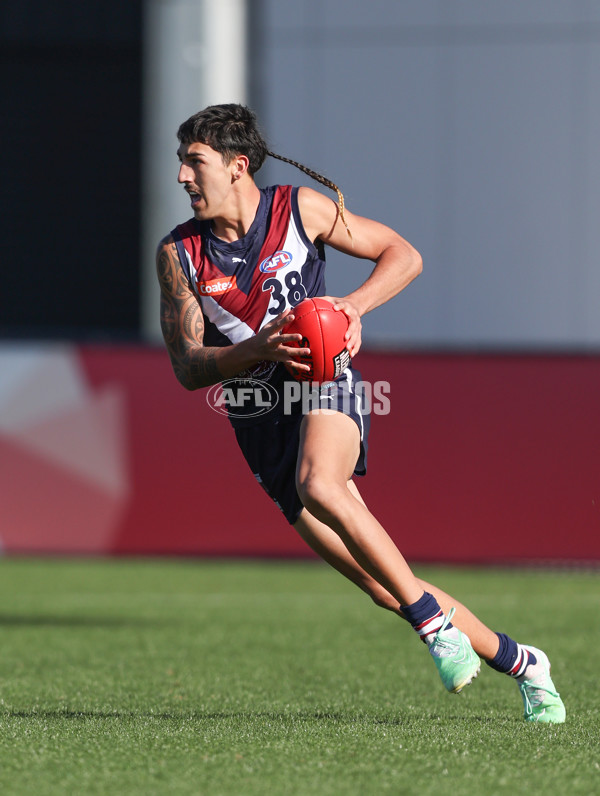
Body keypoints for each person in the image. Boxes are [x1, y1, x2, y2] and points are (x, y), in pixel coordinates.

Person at [156, 103, 565, 723]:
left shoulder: (299, 209)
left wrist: (351, 308)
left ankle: (434, 629)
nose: (183, 176)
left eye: (195, 161)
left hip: (327, 385)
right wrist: (261, 348)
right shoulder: (180, 255)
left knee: (321, 483)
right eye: (181, 163)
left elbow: (403, 254)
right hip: (259, 421)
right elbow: (188, 369)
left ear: (238, 166)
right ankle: (525, 663)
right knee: (384, 584)